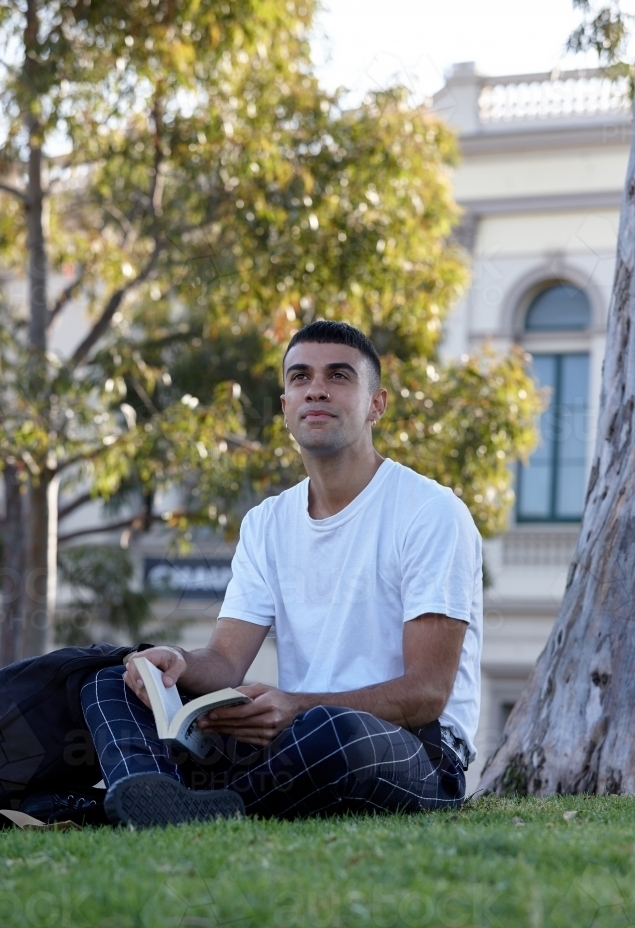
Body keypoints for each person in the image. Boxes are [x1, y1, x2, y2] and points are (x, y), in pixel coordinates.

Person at [81, 320, 482, 828]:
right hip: (290, 738)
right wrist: (174, 663)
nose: (316, 388)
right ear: (286, 404)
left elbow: (426, 693)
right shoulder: (267, 522)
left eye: (338, 376)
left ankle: (185, 809)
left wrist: (295, 704)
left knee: (332, 732)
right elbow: (226, 662)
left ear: (376, 404)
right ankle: (152, 793)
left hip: (414, 750)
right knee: (112, 680)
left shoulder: (430, 511)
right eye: (300, 378)